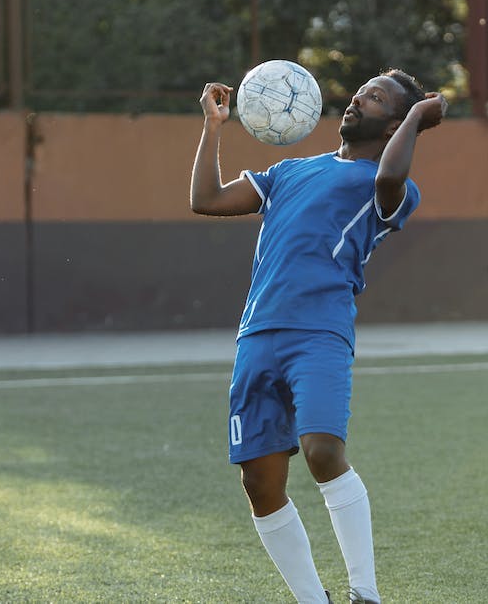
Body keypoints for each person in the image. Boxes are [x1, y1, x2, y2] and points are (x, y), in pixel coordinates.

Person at [189, 68, 447, 604]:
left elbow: (389, 177)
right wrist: (213, 127)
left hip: (319, 331)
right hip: (256, 334)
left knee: (323, 451)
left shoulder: (388, 186)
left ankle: (365, 594)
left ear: (394, 124)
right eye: (360, 92)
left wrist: (420, 117)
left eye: (375, 98)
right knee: (259, 483)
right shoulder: (290, 171)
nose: (357, 100)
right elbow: (206, 198)